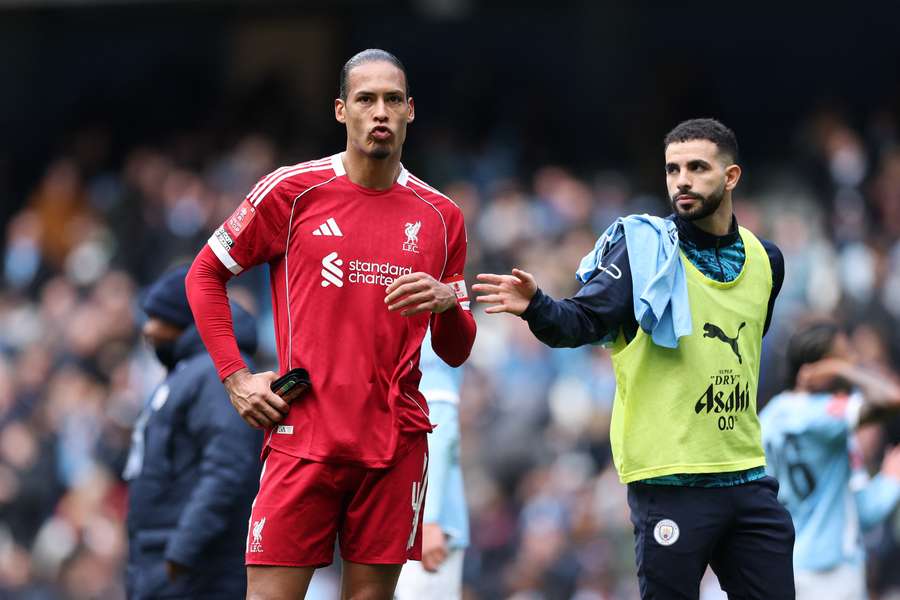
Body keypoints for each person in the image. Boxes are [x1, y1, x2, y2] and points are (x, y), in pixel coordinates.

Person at [185, 49, 476, 600]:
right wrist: (235, 378)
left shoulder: (441, 215)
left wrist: (447, 304)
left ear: (411, 110)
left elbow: (457, 349)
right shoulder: (292, 192)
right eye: (366, 99)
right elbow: (202, 276)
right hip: (304, 437)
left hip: (394, 446)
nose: (380, 111)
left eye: (393, 99)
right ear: (342, 111)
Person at [473, 118, 794, 599]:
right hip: (670, 481)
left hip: (745, 475)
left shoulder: (767, 260)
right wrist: (538, 305)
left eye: (697, 167)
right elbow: (581, 320)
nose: (681, 179)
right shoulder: (643, 251)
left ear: (731, 178)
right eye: (672, 169)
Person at [124, 265, 263, 599]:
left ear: (183, 320)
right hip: (165, 558)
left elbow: (228, 469)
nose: (149, 329)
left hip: (196, 570)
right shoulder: (188, 371)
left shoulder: (216, 375)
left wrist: (181, 551)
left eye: (157, 317)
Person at [760, 319, 900, 599]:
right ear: (820, 366)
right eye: (844, 354)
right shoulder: (828, 417)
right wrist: (891, 478)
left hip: (787, 566)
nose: (853, 360)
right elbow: (892, 398)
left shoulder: (768, 418)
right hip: (833, 572)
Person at [395, 329, 469, 600]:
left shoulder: (422, 333)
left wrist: (429, 519)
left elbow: (438, 426)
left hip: (425, 530)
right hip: (407, 524)